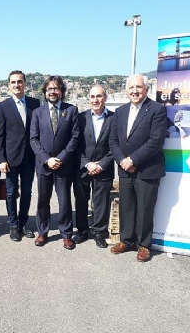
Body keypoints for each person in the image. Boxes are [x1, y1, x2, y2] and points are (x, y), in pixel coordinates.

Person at [109, 74, 167, 262]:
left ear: (146, 89)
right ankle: (126, 240)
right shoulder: (120, 112)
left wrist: (132, 160)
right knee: (126, 206)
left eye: (139, 87)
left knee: (145, 209)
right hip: (125, 169)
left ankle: (144, 245)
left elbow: (156, 141)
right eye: (131, 88)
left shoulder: (157, 109)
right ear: (127, 91)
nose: (135, 91)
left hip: (147, 169)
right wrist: (122, 161)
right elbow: (113, 140)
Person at [30, 76, 79, 249]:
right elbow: (33, 139)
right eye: (49, 89)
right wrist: (47, 159)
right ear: (45, 92)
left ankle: (66, 234)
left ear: (62, 91)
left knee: (65, 201)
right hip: (44, 165)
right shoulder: (37, 112)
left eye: (56, 88)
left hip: (64, 165)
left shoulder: (72, 110)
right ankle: (42, 232)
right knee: (43, 200)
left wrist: (61, 158)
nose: (52, 91)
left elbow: (74, 138)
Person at [0, 70, 40, 242]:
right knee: (11, 192)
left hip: (30, 157)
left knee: (27, 192)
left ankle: (23, 223)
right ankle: (13, 225)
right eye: (13, 82)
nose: (17, 85)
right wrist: (1, 160)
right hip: (10, 158)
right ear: (9, 86)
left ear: (25, 84)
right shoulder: (3, 106)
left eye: (20, 81)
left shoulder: (35, 104)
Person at [73, 85, 114, 249]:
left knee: (101, 202)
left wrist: (102, 164)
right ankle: (82, 230)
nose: (95, 100)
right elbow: (75, 144)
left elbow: (116, 145)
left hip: (104, 168)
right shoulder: (80, 118)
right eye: (92, 97)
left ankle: (98, 232)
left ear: (105, 98)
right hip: (83, 168)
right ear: (88, 99)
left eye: (99, 96)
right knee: (81, 201)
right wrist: (87, 163)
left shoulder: (114, 118)